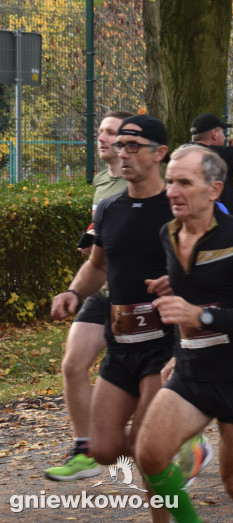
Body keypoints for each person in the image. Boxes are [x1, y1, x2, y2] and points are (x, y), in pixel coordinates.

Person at [134, 145, 233, 523]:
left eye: (184, 182)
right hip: (191, 371)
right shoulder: (168, 233)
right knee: (148, 454)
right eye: (169, 182)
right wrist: (177, 353)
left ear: (214, 190)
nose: (171, 191)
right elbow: (193, 293)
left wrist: (201, 316)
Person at [49, 114, 174, 521]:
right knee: (102, 448)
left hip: (164, 344)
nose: (123, 153)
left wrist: (182, 285)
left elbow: (211, 269)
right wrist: (73, 291)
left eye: (133, 145)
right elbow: (98, 267)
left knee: (146, 447)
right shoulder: (108, 209)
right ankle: (175, 446)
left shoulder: (178, 207)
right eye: (120, 145)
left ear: (159, 153)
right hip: (121, 344)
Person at [46, 110, 133, 482]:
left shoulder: (139, 183)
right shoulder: (102, 180)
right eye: (100, 131)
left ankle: (187, 444)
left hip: (134, 296)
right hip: (104, 288)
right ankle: (85, 450)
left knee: (142, 386)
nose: (101, 137)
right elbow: (103, 227)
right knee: (72, 364)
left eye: (110, 132)